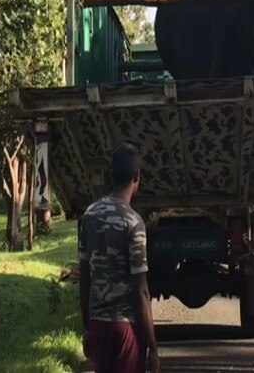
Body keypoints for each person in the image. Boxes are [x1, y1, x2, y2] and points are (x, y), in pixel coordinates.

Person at [78, 143, 159, 373]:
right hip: (126, 329)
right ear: (137, 176)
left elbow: (84, 276)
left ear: (110, 175)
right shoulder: (133, 223)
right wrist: (153, 348)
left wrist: (88, 325)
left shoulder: (90, 216)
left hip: (99, 325)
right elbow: (141, 291)